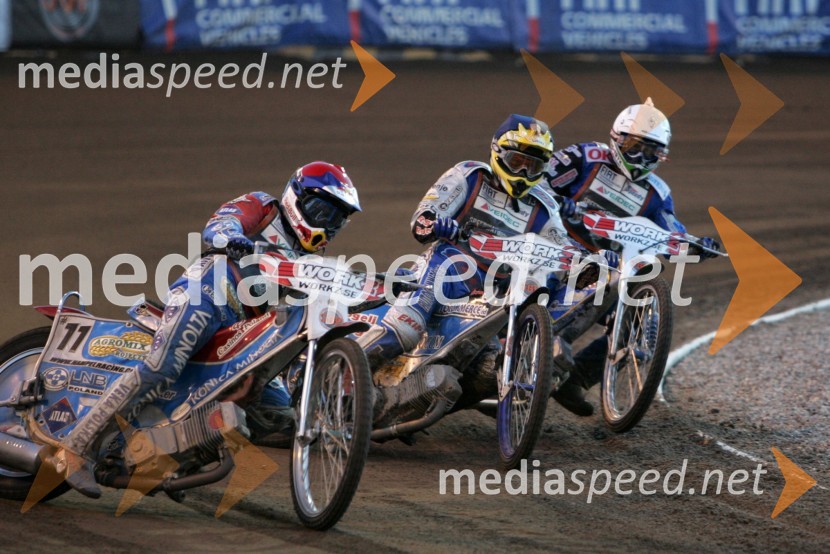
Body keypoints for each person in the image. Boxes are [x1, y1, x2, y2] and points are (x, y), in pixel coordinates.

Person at [50, 162, 362, 498]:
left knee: (274, 411)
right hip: (209, 290)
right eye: (323, 212)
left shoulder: (313, 258)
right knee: (163, 367)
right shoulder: (263, 206)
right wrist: (233, 239)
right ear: (295, 199)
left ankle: (172, 459)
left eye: (337, 220)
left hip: (244, 327)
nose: (328, 227)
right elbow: (220, 224)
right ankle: (74, 448)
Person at [358, 114, 614, 420]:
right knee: (405, 329)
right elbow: (424, 217)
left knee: (489, 362)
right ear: (498, 153)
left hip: (494, 292)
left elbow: (560, 245)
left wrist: (588, 261)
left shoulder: (545, 204)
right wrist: (436, 223)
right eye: (517, 161)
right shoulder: (469, 175)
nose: (522, 171)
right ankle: (345, 377)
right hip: (448, 267)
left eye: (532, 166)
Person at [544, 98, 720, 416]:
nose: (641, 158)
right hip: (554, 247)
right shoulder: (583, 157)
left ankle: (577, 377)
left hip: (604, 266)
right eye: (636, 147)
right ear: (618, 138)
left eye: (651, 152)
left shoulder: (658, 192)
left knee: (642, 321)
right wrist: (559, 201)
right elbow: (536, 183)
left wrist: (694, 245)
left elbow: (670, 230)